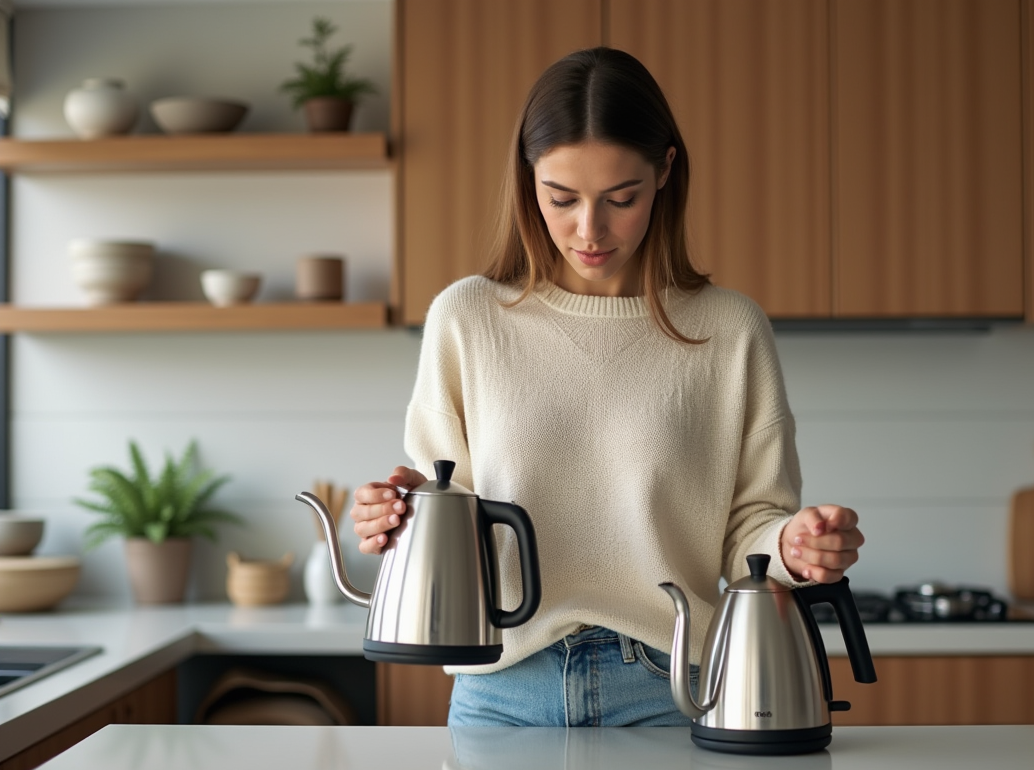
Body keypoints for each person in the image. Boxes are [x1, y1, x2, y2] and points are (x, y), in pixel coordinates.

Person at [349, 47, 864, 727]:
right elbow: (450, 498)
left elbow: (751, 529)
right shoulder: (467, 318)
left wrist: (794, 545)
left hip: (670, 686)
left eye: (622, 199)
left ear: (665, 174)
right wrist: (400, 514)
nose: (588, 231)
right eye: (561, 198)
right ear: (527, 178)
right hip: (501, 688)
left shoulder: (729, 330)